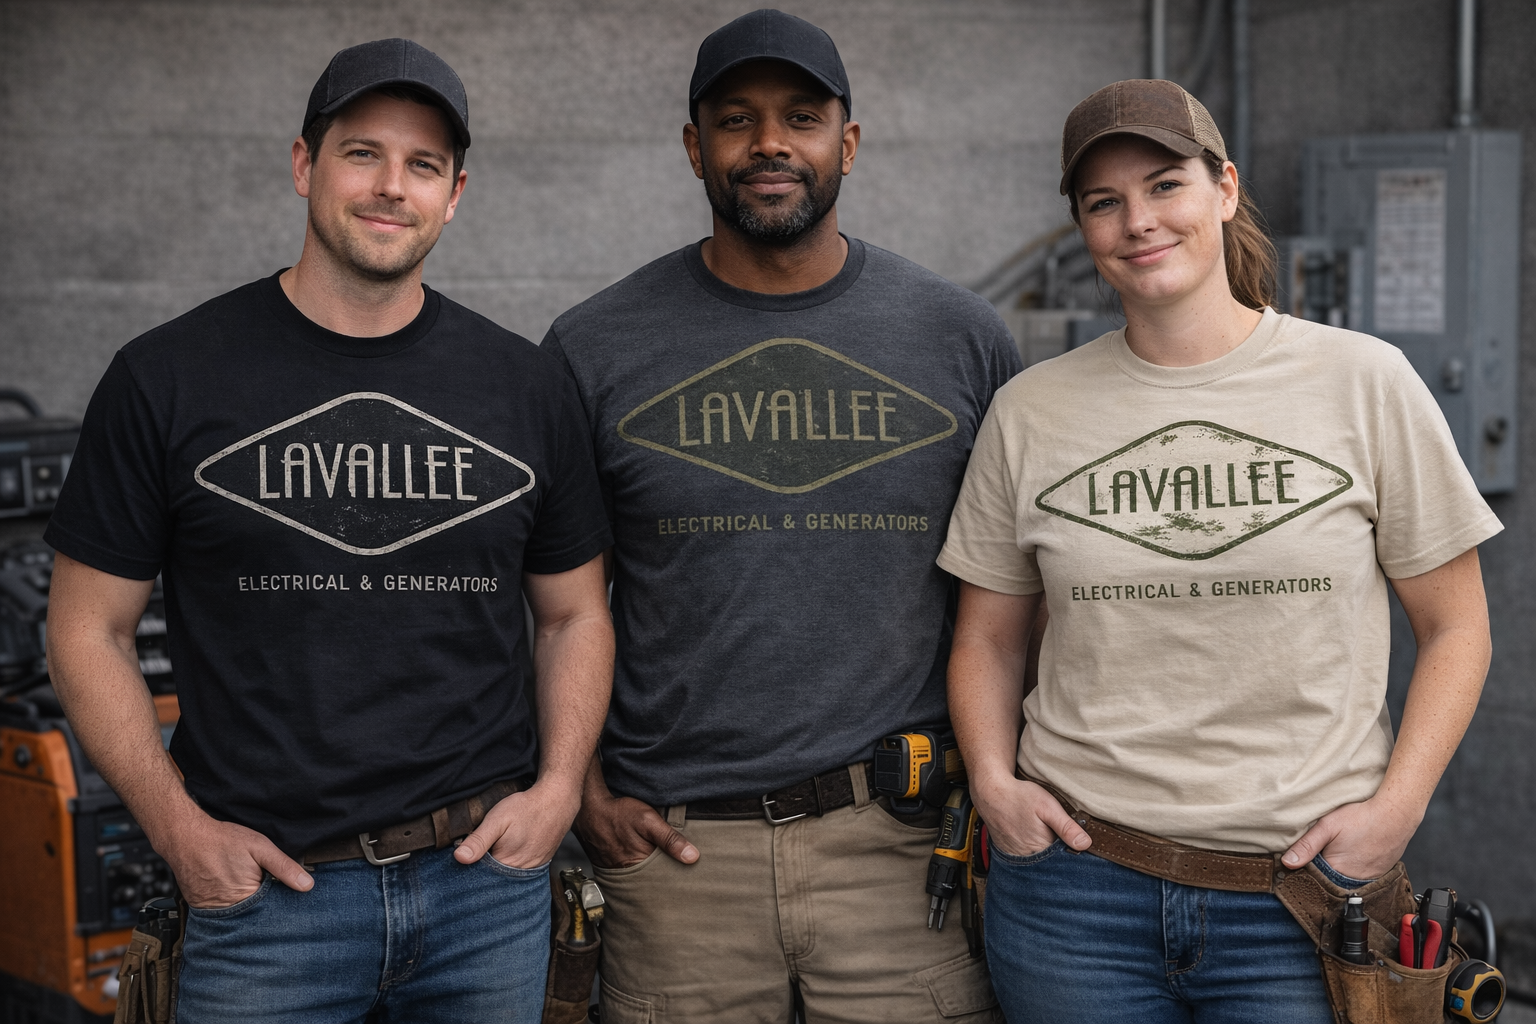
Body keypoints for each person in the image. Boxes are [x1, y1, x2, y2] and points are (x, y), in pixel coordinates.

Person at [44, 38, 614, 1024]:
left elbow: (575, 614)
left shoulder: (525, 386)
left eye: (423, 164)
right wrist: (178, 832)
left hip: (484, 895)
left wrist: (560, 789)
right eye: (362, 153)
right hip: (267, 907)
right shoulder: (167, 377)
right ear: (304, 164)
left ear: (454, 194)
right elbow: (85, 628)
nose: (392, 185)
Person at [939, 78, 1501, 1023]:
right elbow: (987, 638)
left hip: (1303, 897)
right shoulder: (1030, 411)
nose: (1138, 221)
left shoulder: (1363, 382)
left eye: (1166, 186)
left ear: (1226, 189)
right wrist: (996, 785)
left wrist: (1395, 811)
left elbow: (1457, 628)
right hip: (1076, 897)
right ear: (1083, 228)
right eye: (1104, 202)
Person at [543, 10, 1020, 1022]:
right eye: (736, 119)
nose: (769, 142)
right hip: (677, 861)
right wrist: (578, 790)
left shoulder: (961, 338)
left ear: (848, 143)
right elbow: (555, 604)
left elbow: (1012, 601)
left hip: (902, 855)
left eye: (802, 117)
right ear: (694, 147)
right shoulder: (593, 348)